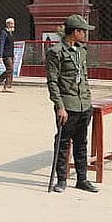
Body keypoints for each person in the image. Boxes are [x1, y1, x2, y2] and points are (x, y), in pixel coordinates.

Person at [46, 14, 99, 193]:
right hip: (67, 106)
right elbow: (53, 82)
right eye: (83, 31)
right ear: (75, 32)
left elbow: (84, 77)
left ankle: (82, 179)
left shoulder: (82, 51)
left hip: (83, 104)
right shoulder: (56, 52)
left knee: (81, 143)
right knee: (63, 143)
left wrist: (88, 101)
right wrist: (60, 106)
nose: (85, 34)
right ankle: (61, 180)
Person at [0, 17, 16, 91]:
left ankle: (7, 87)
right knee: (10, 69)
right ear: (7, 24)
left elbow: (11, 45)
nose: (13, 25)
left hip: (11, 54)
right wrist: (0, 56)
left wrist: (13, 55)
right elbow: (1, 44)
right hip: (6, 55)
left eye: (13, 23)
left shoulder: (10, 33)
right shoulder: (3, 33)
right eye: (11, 23)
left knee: (11, 70)